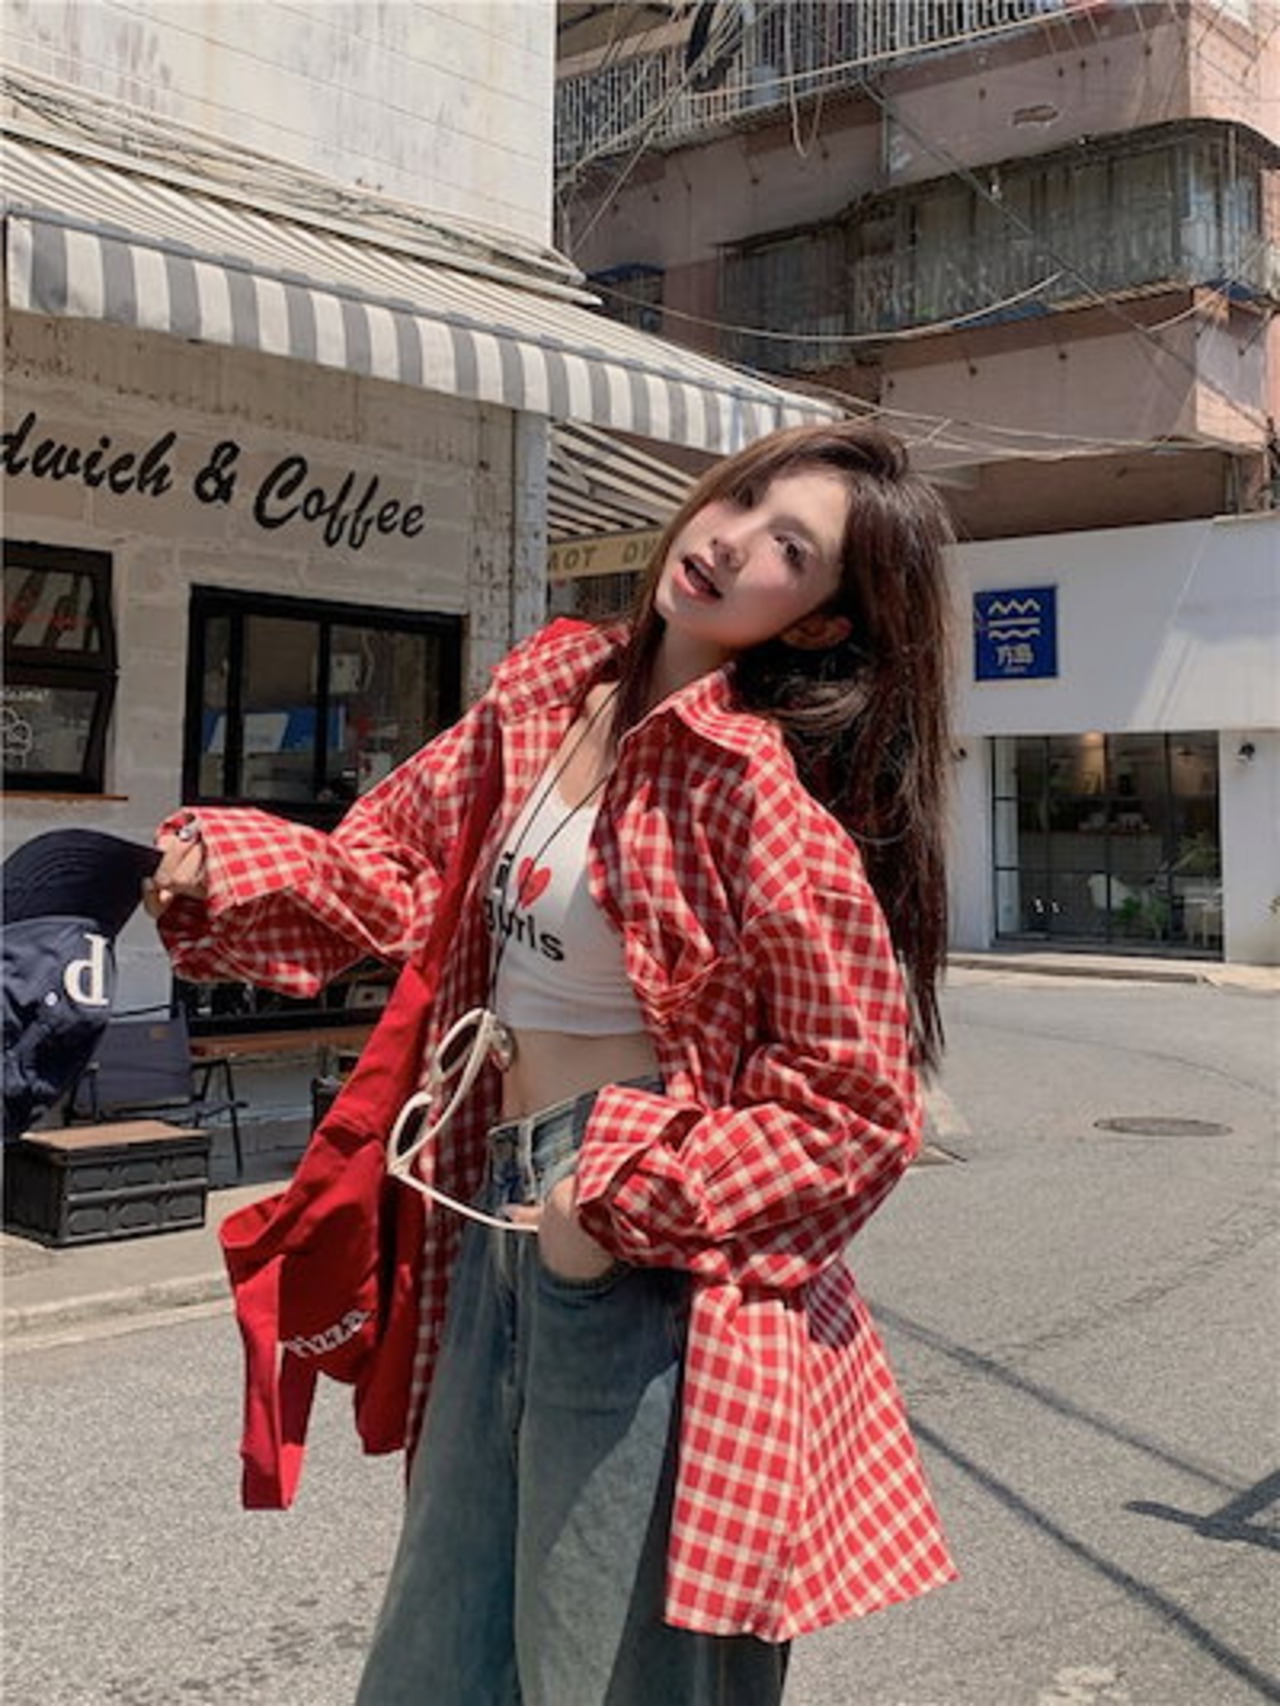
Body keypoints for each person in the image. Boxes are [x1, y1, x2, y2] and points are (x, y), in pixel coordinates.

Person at [146, 420, 957, 1705]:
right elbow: (400, 866)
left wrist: (613, 1204)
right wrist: (226, 866)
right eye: (742, 498)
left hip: (637, 1247)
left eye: (787, 548)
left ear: (813, 622)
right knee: (440, 1650)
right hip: (494, 1200)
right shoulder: (548, 691)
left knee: (602, 1664)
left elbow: (857, 1107)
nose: (728, 539)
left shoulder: (752, 797)